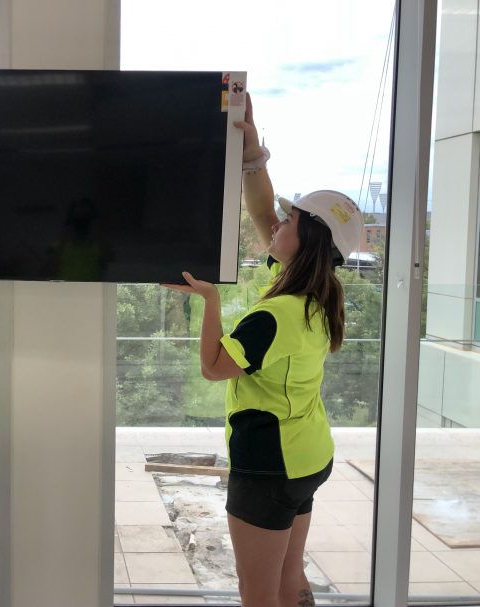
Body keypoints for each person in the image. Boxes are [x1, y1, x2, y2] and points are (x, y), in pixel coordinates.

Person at [165, 93, 364, 607]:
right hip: (307, 456)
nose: (275, 225)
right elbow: (259, 209)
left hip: (269, 467)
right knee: (287, 577)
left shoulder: (273, 316)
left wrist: (208, 299)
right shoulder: (318, 295)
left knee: (256, 590)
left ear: (308, 242)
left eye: (288, 222)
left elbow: (213, 367)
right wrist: (253, 155)